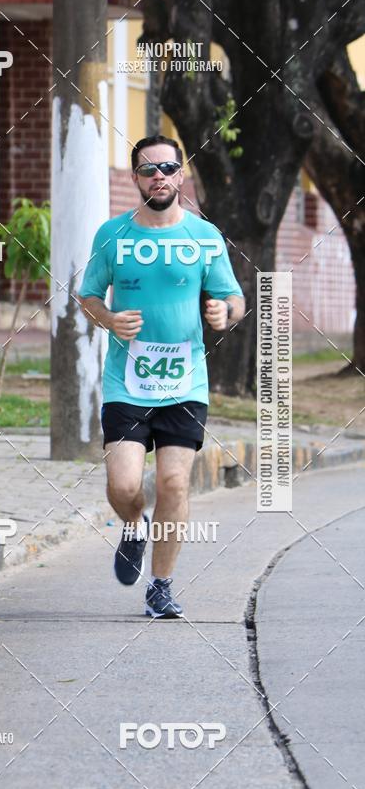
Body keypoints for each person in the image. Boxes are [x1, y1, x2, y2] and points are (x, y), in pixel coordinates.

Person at [77, 134, 245, 618]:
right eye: (149, 170)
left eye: (168, 168)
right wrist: (107, 319)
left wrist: (223, 313)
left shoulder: (204, 237)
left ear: (182, 175)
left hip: (185, 382)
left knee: (174, 484)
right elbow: (87, 296)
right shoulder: (113, 235)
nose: (159, 177)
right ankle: (133, 525)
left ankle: (161, 586)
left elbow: (236, 299)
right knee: (125, 486)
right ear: (135, 179)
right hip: (127, 381)